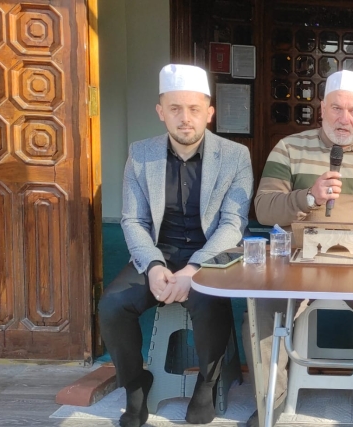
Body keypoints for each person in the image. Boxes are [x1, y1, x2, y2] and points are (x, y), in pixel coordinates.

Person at [247, 70, 353, 427]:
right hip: (298, 264)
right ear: (321, 109)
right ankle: (270, 401)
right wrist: (308, 197)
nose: (344, 118)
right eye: (336, 108)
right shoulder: (289, 148)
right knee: (263, 311)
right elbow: (264, 209)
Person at [98, 64, 253, 427]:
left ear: (209, 112)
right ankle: (135, 386)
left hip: (209, 255)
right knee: (113, 305)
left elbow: (233, 224)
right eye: (175, 109)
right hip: (159, 252)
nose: (185, 118)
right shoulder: (141, 154)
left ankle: (206, 383)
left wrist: (194, 269)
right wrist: (153, 266)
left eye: (194, 109)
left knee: (210, 301)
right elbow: (133, 220)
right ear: (161, 112)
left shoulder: (235, 156)